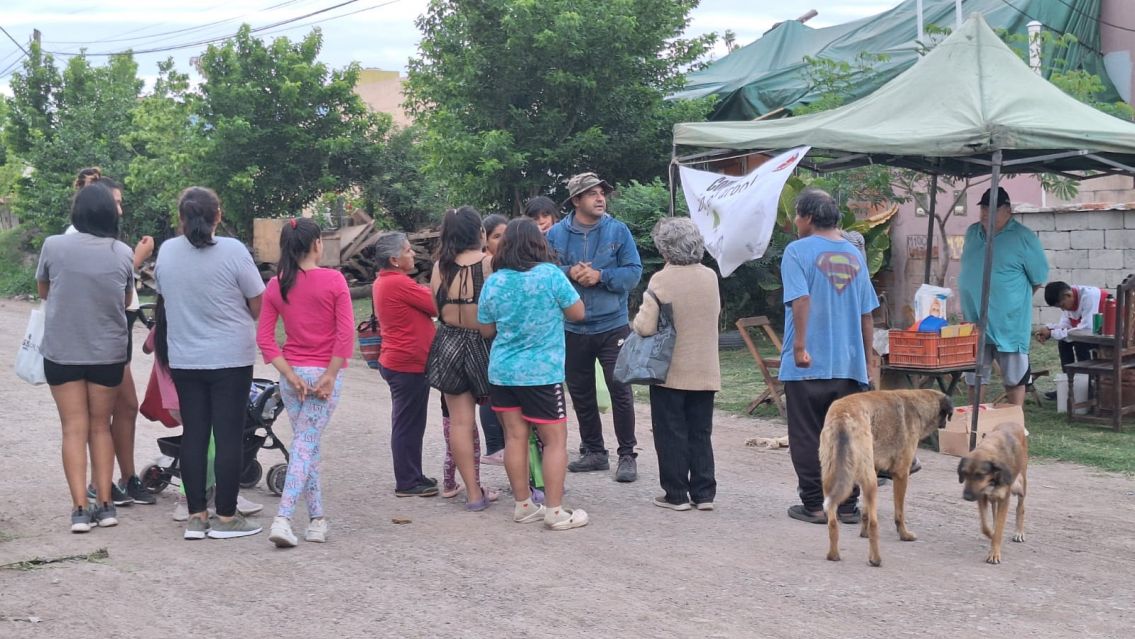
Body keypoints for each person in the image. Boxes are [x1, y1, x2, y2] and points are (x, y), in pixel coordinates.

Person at [155, 186, 265, 540]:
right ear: (218, 215)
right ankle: (228, 517)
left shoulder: (168, 251)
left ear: (181, 219)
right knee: (229, 434)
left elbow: (166, 296)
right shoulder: (233, 251)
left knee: (195, 435)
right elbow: (257, 302)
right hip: (231, 357)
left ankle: (196, 516)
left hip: (185, 358)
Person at [478, 218, 589, 530]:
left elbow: (486, 329)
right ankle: (554, 510)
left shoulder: (495, 281)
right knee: (554, 441)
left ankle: (523, 505)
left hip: (503, 372)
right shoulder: (550, 276)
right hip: (541, 374)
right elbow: (578, 313)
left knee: (515, 437)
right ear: (538, 244)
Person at [37, 182, 134, 532]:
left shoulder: (53, 245)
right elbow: (125, 301)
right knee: (100, 426)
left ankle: (80, 509)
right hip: (107, 352)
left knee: (73, 428)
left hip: (63, 351)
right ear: (110, 213)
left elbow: (44, 290)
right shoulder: (121, 252)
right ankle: (106, 505)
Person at [780, 189, 879, 525]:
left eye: (797, 215)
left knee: (808, 433)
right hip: (850, 365)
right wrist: (868, 360)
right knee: (845, 435)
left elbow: (801, 300)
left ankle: (813, 504)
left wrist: (799, 347)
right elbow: (867, 314)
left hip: (807, 364)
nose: (795, 222)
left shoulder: (796, 251)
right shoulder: (855, 255)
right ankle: (848, 505)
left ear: (807, 218)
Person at [258, 218, 354, 547]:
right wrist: (329, 375)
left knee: (305, 445)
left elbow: (265, 339)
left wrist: (288, 374)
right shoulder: (334, 280)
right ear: (317, 244)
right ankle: (283, 517)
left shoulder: (277, 284)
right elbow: (345, 336)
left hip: (293, 376)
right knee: (305, 445)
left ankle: (317, 520)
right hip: (323, 376)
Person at [546, 172, 643, 482]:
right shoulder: (555, 235)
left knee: (620, 389)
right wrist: (569, 272)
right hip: (572, 327)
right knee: (581, 391)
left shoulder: (619, 231)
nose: (600, 198)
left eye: (602, 192)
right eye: (591, 194)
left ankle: (627, 454)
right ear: (576, 201)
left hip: (612, 325)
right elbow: (544, 271)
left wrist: (601, 276)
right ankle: (593, 452)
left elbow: (634, 273)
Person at [70, 168, 156, 507]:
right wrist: (137, 259)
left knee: (126, 407)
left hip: (117, 331)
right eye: (116, 203)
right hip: (99, 336)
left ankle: (126, 476)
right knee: (99, 415)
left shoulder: (110, 242)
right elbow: (103, 288)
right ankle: (99, 483)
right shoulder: (75, 238)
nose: (120, 210)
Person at [631, 217, 721, 511]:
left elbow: (645, 326)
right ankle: (705, 493)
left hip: (670, 370)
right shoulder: (710, 276)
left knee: (670, 432)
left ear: (665, 249)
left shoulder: (661, 279)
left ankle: (676, 494)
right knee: (700, 431)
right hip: (705, 368)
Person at [427, 207, 495, 511]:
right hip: (485, 345)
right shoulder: (489, 263)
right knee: (510, 419)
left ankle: (473, 494)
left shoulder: (439, 267)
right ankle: (527, 489)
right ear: (479, 232)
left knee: (459, 423)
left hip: (449, 342)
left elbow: (434, 305)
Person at [958, 187, 1049, 406]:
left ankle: (1015, 425)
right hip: (974, 320)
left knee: (1014, 379)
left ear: (1007, 209)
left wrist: (1009, 302)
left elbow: (1038, 278)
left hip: (1009, 323)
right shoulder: (972, 233)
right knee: (975, 377)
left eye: (991, 209)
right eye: (983, 208)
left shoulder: (1023, 237)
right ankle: (974, 427)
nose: (984, 214)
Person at [372, 232, 439, 498]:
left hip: (401, 361)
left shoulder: (386, 282)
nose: (413, 254)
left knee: (410, 422)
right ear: (394, 259)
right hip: (406, 363)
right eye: (408, 251)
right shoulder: (397, 283)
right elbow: (436, 304)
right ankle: (407, 481)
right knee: (407, 424)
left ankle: (413, 474)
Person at [1038, 281, 1101, 398]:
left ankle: (1086, 388)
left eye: (1062, 305)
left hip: (1109, 336)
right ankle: (1068, 385)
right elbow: (1065, 325)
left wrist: (1052, 333)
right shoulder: (1068, 297)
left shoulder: (1090, 296)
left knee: (1080, 342)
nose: (1062, 309)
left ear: (1068, 295)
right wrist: (1048, 329)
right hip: (1092, 334)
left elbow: (1087, 328)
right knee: (1064, 342)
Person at [479, 213, 508, 464]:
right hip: (491, 332)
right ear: (485, 240)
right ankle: (496, 445)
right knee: (491, 391)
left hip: (499, 332)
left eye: (507, 235)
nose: (503, 241)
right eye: (497, 236)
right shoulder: (489, 263)